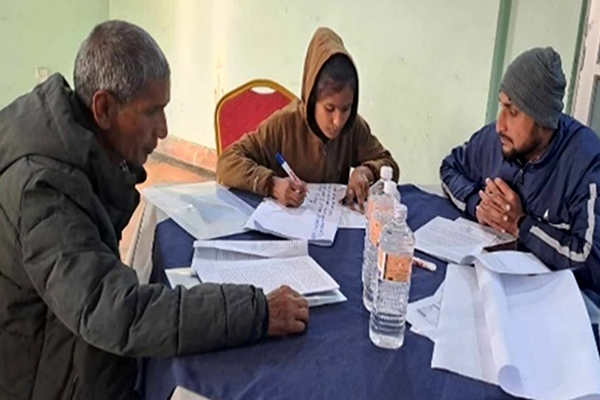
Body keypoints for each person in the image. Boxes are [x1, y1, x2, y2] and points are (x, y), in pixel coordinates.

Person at [0, 20, 308, 400]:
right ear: (104, 108)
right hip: (44, 378)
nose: (163, 129)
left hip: (67, 350)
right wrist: (256, 311)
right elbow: (116, 312)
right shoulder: (43, 191)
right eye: (152, 111)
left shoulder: (71, 145)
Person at [440, 47, 600, 292]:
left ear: (543, 119)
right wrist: (477, 205)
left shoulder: (586, 162)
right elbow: (450, 167)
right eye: (501, 106)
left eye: (512, 112)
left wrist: (520, 223)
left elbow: (590, 260)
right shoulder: (496, 141)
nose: (500, 124)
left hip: (562, 306)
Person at [217, 27, 399, 211]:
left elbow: (389, 165)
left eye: (346, 108)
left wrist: (366, 172)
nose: (338, 120)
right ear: (312, 99)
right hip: (286, 227)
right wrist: (272, 184)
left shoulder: (353, 127)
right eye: (329, 108)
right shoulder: (283, 125)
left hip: (331, 225)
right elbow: (227, 162)